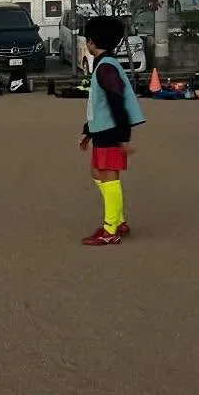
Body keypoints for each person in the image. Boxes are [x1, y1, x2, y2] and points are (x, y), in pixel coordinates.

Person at [78, 16, 145, 247]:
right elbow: (101, 105)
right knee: (98, 172)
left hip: (111, 131)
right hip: (104, 129)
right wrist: (88, 131)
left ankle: (110, 229)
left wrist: (123, 137)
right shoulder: (105, 64)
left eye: (87, 39)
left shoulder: (106, 67)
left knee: (108, 175)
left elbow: (117, 102)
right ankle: (118, 220)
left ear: (92, 41)